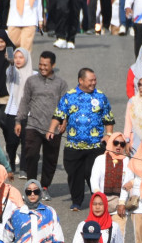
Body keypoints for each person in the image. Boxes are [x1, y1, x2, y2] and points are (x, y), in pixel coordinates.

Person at [50, 67, 116, 211]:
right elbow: (58, 114)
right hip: (74, 146)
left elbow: (108, 119)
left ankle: (98, 202)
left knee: (94, 174)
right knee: (74, 174)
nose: (94, 83)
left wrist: (109, 135)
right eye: (90, 80)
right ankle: (76, 201)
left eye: (95, 80)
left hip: (95, 146)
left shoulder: (100, 97)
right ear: (81, 81)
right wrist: (51, 129)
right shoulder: (69, 96)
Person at [16, 52, 69, 195]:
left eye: (46, 65)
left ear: (53, 65)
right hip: (33, 125)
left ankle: (44, 187)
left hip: (54, 128)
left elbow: (66, 105)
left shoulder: (61, 84)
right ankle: (31, 186)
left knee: (50, 159)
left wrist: (64, 122)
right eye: (40, 64)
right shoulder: (31, 81)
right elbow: (24, 102)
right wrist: (18, 121)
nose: (42, 67)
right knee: (31, 155)